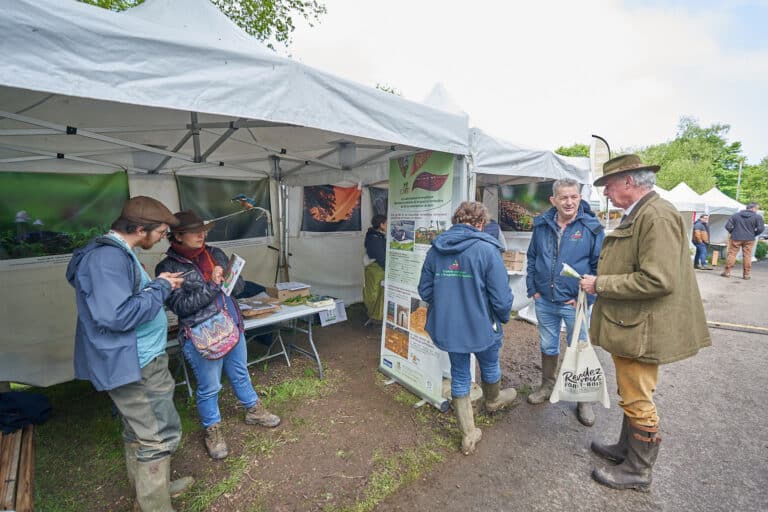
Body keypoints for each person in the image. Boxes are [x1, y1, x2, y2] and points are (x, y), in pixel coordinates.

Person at [580, 155, 710, 491]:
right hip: (634, 324)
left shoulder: (655, 215)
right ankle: (626, 450)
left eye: (608, 185)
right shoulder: (644, 212)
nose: (605, 192)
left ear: (629, 182)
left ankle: (638, 471)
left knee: (637, 396)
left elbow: (658, 279)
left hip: (642, 328)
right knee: (630, 390)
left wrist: (600, 284)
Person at [66, 196, 193, 511]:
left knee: (138, 429)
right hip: (135, 362)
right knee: (157, 435)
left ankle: (152, 489)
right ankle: (155, 505)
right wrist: (161, 288)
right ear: (139, 228)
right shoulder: (106, 259)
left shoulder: (120, 253)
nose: (163, 237)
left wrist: (157, 285)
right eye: (161, 232)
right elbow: (118, 316)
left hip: (135, 357)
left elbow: (126, 302)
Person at [155, 211, 280, 461]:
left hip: (231, 325)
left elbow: (239, 287)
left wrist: (232, 278)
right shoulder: (168, 267)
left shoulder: (215, 253)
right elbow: (181, 307)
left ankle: (253, 410)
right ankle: (212, 429)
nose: (202, 235)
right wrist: (214, 285)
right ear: (177, 236)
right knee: (210, 387)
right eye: (194, 232)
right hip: (201, 335)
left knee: (240, 372)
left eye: (204, 230)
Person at [418, 201, 515, 455]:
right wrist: (502, 316)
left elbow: (425, 290)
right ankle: (493, 401)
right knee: (490, 363)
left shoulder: (436, 249)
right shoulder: (486, 249)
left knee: (460, 374)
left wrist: (449, 304)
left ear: (456, 221)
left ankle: (468, 434)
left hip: (450, 327)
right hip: (484, 325)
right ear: (481, 223)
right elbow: (502, 298)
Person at [526, 179, 604, 427]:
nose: (569, 202)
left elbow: (599, 268)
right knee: (548, 345)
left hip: (575, 303)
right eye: (563, 197)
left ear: (580, 198)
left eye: (574, 197)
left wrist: (587, 297)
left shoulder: (592, 228)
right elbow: (532, 258)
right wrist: (533, 290)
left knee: (579, 347)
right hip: (544, 300)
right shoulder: (541, 225)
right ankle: (547, 385)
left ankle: (583, 399)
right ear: (554, 200)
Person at [721, 202, 764, 280]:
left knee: (732, 254)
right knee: (747, 256)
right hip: (749, 239)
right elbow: (761, 229)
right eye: (757, 209)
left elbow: (728, 226)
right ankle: (746, 275)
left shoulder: (735, 215)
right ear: (753, 208)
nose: (757, 210)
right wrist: (753, 234)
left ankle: (727, 272)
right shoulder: (757, 217)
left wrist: (733, 232)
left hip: (736, 237)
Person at [363, 214, 387, 323]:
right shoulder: (374, 237)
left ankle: (377, 315)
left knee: (377, 291)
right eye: (386, 224)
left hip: (377, 268)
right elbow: (379, 255)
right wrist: (387, 267)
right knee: (373, 292)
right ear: (381, 224)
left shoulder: (377, 235)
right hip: (374, 268)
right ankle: (373, 315)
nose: (388, 226)